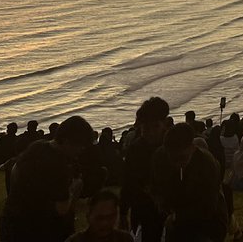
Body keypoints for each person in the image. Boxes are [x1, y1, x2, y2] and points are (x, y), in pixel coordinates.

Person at [0, 114, 93, 242]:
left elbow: (15, 170)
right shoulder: (60, 166)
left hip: (11, 223)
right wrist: (75, 187)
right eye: (80, 146)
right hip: (37, 231)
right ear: (66, 141)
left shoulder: (36, 146)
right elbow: (62, 209)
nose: (81, 151)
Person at [151, 122, 227, 242]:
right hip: (175, 219)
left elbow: (208, 206)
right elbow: (157, 189)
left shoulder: (208, 164)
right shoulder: (160, 158)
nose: (177, 164)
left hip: (208, 222)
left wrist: (177, 217)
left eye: (182, 158)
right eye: (173, 159)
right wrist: (163, 206)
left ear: (192, 147)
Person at [119, 96, 169, 242]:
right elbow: (128, 182)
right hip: (143, 209)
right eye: (146, 128)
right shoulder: (136, 149)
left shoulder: (171, 146)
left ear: (164, 124)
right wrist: (123, 212)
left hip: (171, 207)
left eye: (155, 127)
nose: (151, 132)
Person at [68, 189, 134, 241]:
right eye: (99, 218)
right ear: (88, 217)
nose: (105, 223)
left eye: (110, 217)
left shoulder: (125, 239)